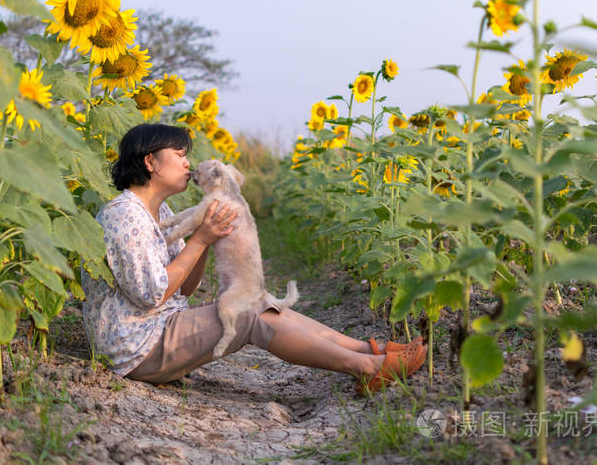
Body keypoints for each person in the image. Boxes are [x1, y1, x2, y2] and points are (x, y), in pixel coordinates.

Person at [81, 123, 427, 394]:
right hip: (137, 348)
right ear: (149, 161)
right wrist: (201, 237)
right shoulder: (124, 215)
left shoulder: (161, 210)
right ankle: (368, 370)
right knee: (249, 313)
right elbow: (151, 294)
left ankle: (372, 352)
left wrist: (209, 237)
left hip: (161, 332)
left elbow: (185, 288)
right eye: (178, 153)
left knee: (257, 300)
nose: (188, 162)